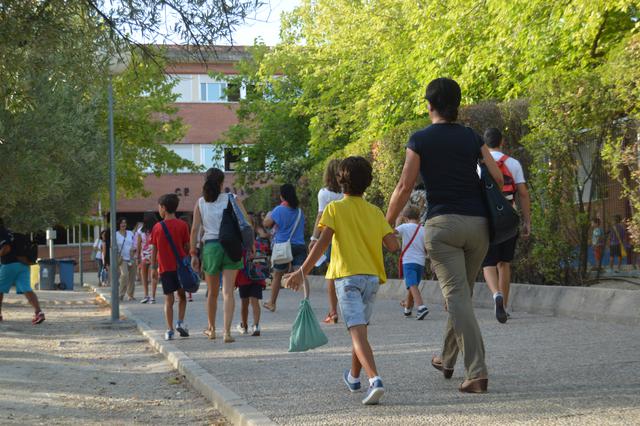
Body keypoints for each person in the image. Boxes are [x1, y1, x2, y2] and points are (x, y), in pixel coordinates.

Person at [386, 78, 504, 394]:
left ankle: (477, 372)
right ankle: (446, 358)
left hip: (442, 228)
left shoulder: (420, 140)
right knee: (461, 297)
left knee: (456, 297)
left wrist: (386, 224)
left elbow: (404, 187)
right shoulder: (471, 137)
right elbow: (497, 175)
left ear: (429, 105)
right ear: (457, 105)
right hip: (479, 225)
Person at [285, 156, 399, 405]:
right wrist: (392, 230)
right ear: (367, 183)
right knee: (360, 329)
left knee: (357, 331)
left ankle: (375, 380)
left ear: (340, 181)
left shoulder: (334, 209)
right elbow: (392, 245)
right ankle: (354, 377)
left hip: (347, 277)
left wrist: (301, 272)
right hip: (371, 279)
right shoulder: (375, 211)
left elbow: (320, 245)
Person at [190, 168, 249, 343]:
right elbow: (246, 222)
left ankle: (212, 329)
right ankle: (227, 332)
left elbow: (194, 230)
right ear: (222, 183)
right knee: (228, 292)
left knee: (212, 293)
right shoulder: (232, 199)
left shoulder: (200, 202)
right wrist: (249, 244)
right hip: (231, 246)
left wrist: (193, 253)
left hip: (211, 248)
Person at [481, 127, 531, 323]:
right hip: (509, 216)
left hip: (486, 218)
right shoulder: (513, 163)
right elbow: (524, 194)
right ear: (502, 142)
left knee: (488, 263)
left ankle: (496, 295)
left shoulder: (478, 165)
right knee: (504, 263)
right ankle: (505, 306)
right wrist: (527, 221)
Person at [150, 194, 191, 341]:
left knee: (169, 299)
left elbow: (154, 249)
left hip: (165, 268)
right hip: (180, 268)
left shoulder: (157, 227)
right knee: (182, 297)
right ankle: (180, 322)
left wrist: (153, 268)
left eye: (159, 207)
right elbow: (187, 246)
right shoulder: (183, 225)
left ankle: (169, 330)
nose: (159, 210)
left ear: (164, 208)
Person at [262, 184, 307, 312]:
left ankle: (272, 303)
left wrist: (269, 214)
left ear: (282, 196)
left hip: (283, 246)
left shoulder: (278, 210)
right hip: (299, 245)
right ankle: (306, 300)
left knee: (277, 275)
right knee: (302, 274)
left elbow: (266, 224)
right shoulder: (299, 211)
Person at [310, 159, 343, 323]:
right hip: (348, 237)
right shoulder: (349, 192)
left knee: (331, 274)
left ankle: (333, 311)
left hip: (331, 238)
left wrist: (314, 238)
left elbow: (320, 216)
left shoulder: (325, 193)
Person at [0, 226, 45, 325]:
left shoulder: (2, 233)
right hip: (24, 264)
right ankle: (39, 312)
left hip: (9, 264)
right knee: (27, 289)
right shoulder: (12, 233)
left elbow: (6, 248)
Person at [396, 206, 429, 320]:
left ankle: (421, 307)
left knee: (411, 284)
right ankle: (408, 309)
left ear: (405, 217)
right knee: (413, 285)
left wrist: (397, 221)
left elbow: (392, 233)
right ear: (418, 217)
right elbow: (426, 247)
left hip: (408, 261)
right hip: (420, 262)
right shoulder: (423, 229)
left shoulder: (404, 227)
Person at [235, 235, 269, 337]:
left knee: (244, 303)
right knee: (255, 302)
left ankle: (244, 326)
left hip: (243, 277)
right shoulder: (259, 245)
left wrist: (234, 281)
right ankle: (256, 326)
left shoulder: (240, 246)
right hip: (257, 277)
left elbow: (237, 263)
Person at [138, 212, 158, 304]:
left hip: (144, 256)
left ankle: (146, 295)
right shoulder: (157, 229)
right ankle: (153, 297)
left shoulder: (140, 231)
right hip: (154, 254)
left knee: (144, 276)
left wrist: (138, 257)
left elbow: (139, 245)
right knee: (154, 276)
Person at [116, 218, 137, 301]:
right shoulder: (115, 234)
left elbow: (134, 243)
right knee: (125, 275)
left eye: (124, 223)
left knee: (132, 277)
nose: (123, 224)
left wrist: (134, 248)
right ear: (119, 224)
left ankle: (130, 295)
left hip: (131, 258)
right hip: (122, 258)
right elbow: (113, 247)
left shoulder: (130, 233)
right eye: (121, 223)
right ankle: (121, 294)